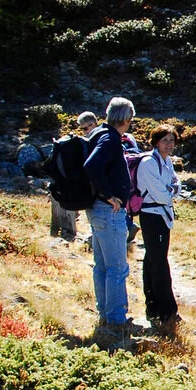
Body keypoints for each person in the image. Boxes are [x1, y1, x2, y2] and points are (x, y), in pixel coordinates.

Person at [83, 97, 136, 333]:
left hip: (97, 210)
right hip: (108, 211)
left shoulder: (97, 133)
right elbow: (92, 166)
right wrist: (109, 196)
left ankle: (105, 314)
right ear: (126, 119)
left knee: (102, 266)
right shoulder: (110, 139)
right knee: (117, 268)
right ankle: (116, 319)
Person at [136, 124, 181, 331]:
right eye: (165, 140)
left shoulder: (167, 161)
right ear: (156, 141)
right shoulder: (148, 163)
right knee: (159, 262)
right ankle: (167, 310)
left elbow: (175, 185)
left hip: (163, 216)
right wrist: (170, 190)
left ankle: (154, 307)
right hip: (152, 216)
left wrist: (170, 190)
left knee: (153, 259)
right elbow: (162, 194)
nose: (169, 144)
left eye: (172, 140)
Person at [49, 111, 97, 240]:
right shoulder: (86, 143)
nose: (85, 131)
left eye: (86, 128)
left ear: (95, 124)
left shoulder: (97, 141)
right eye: (82, 129)